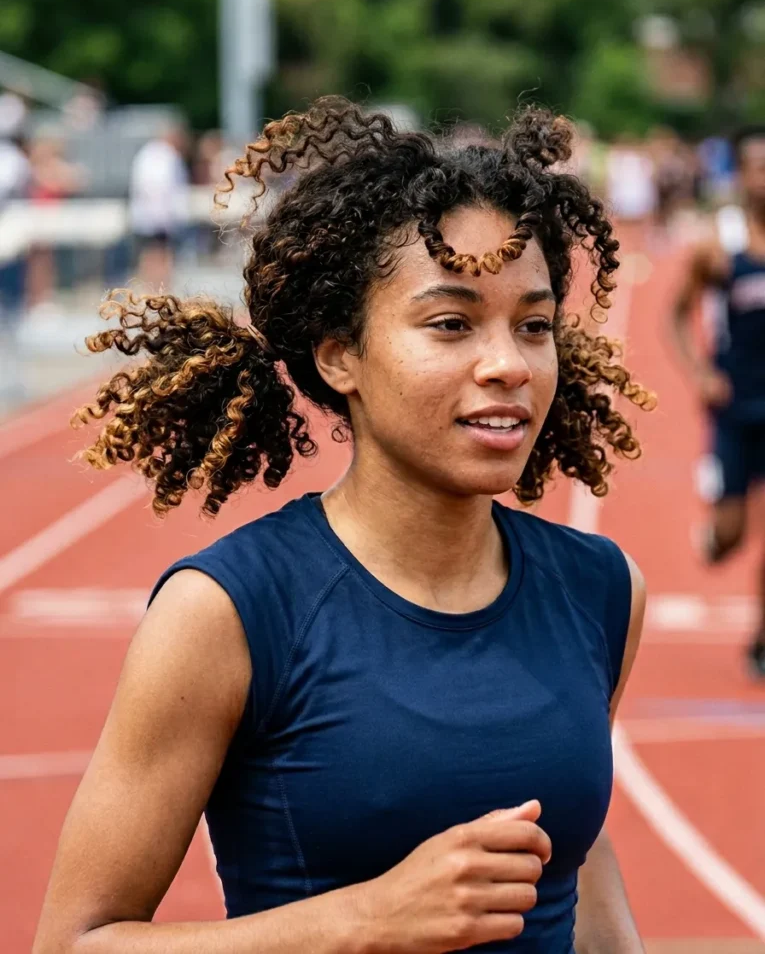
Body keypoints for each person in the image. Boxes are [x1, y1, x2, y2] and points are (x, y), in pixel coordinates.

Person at [35, 99, 653, 953]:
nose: (508, 364)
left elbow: (576, 866)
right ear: (339, 355)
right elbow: (75, 942)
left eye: (534, 325)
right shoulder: (230, 612)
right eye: (450, 324)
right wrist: (363, 920)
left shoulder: (600, 589)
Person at [672, 125, 765, 679]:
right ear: (740, 174)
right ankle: (713, 538)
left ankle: (761, 640)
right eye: (758, 167)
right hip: (735, 408)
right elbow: (676, 316)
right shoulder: (719, 247)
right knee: (732, 537)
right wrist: (702, 373)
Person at [128, 122, 190, 291]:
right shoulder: (166, 156)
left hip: (149, 217)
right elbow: (162, 188)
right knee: (159, 257)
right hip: (159, 218)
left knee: (150, 256)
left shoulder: (147, 153)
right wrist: (167, 218)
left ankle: (152, 291)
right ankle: (158, 291)